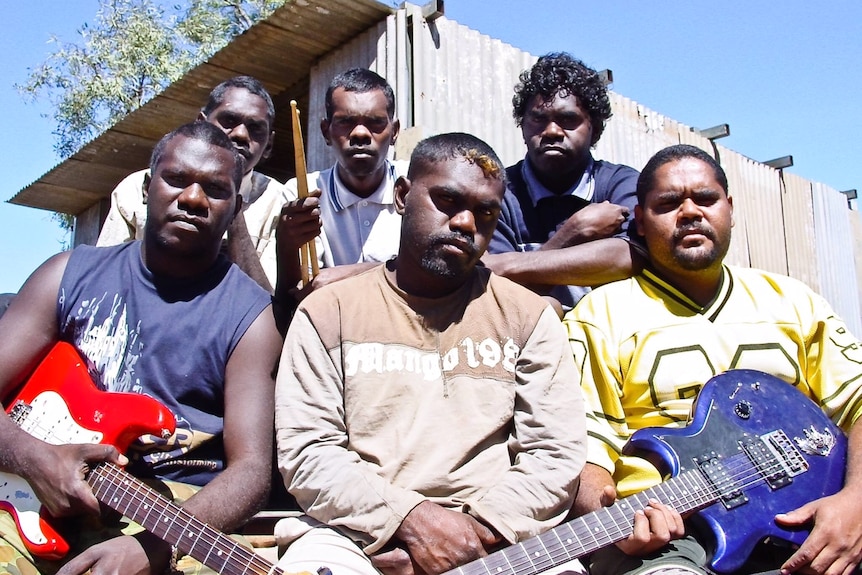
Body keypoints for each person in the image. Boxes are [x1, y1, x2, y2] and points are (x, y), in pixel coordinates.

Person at [274, 132, 586, 575]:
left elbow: (555, 455)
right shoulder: (328, 313)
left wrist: (472, 533)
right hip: (355, 535)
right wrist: (409, 521)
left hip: (497, 536)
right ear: (402, 196)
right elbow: (309, 453)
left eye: (485, 212)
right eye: (447, 200)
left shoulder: (528, 317)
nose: (464, 223)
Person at [564, 144, 862, 575]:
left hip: (821, 516)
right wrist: (616, 523)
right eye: (667, 204)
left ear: (730, 209)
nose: (689, 212)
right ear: (641, 222)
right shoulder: (597, 317)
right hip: (673, 540)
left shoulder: (795, 302)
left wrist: (855, 501)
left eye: (705, 199)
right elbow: (586, 454)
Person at [0, 121, 282, 575]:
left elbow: (250, 473)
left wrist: (154, 547)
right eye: (176, 180)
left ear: (236, 209)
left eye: (214, 189)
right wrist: (34, 458)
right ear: (148, 187)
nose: (192, 199)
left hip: (176, 510)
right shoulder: (67, 274)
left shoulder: (251, 316)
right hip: (30, 488)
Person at [483, 52, 644, 312]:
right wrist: (574, 232)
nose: (552, 131)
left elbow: (627, 258)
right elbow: (496, 295)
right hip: (528, 343)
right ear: (522, 127)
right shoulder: (498, 192)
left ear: (595, 130)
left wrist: (508, 266)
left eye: (568, 120)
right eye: (538, 119)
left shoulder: (619, 184)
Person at [97, 75, 284, 292]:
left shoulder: (281, 202)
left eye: (255, 128)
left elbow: (271, 301)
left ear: (269, 145)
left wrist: (232, 210)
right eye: (229, 121)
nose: (241, 134)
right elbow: (105, 277)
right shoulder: (136, 188)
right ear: (201, 123)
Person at [274, 67, 408, 310]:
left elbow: (436, 271)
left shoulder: (416, 183)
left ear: (395, 132)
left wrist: (348, 276)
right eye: (346, 122)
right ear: (326, 131)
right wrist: (285, 245)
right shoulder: (301, 193)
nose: (359, 133)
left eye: (376, 123)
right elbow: (298, 296)